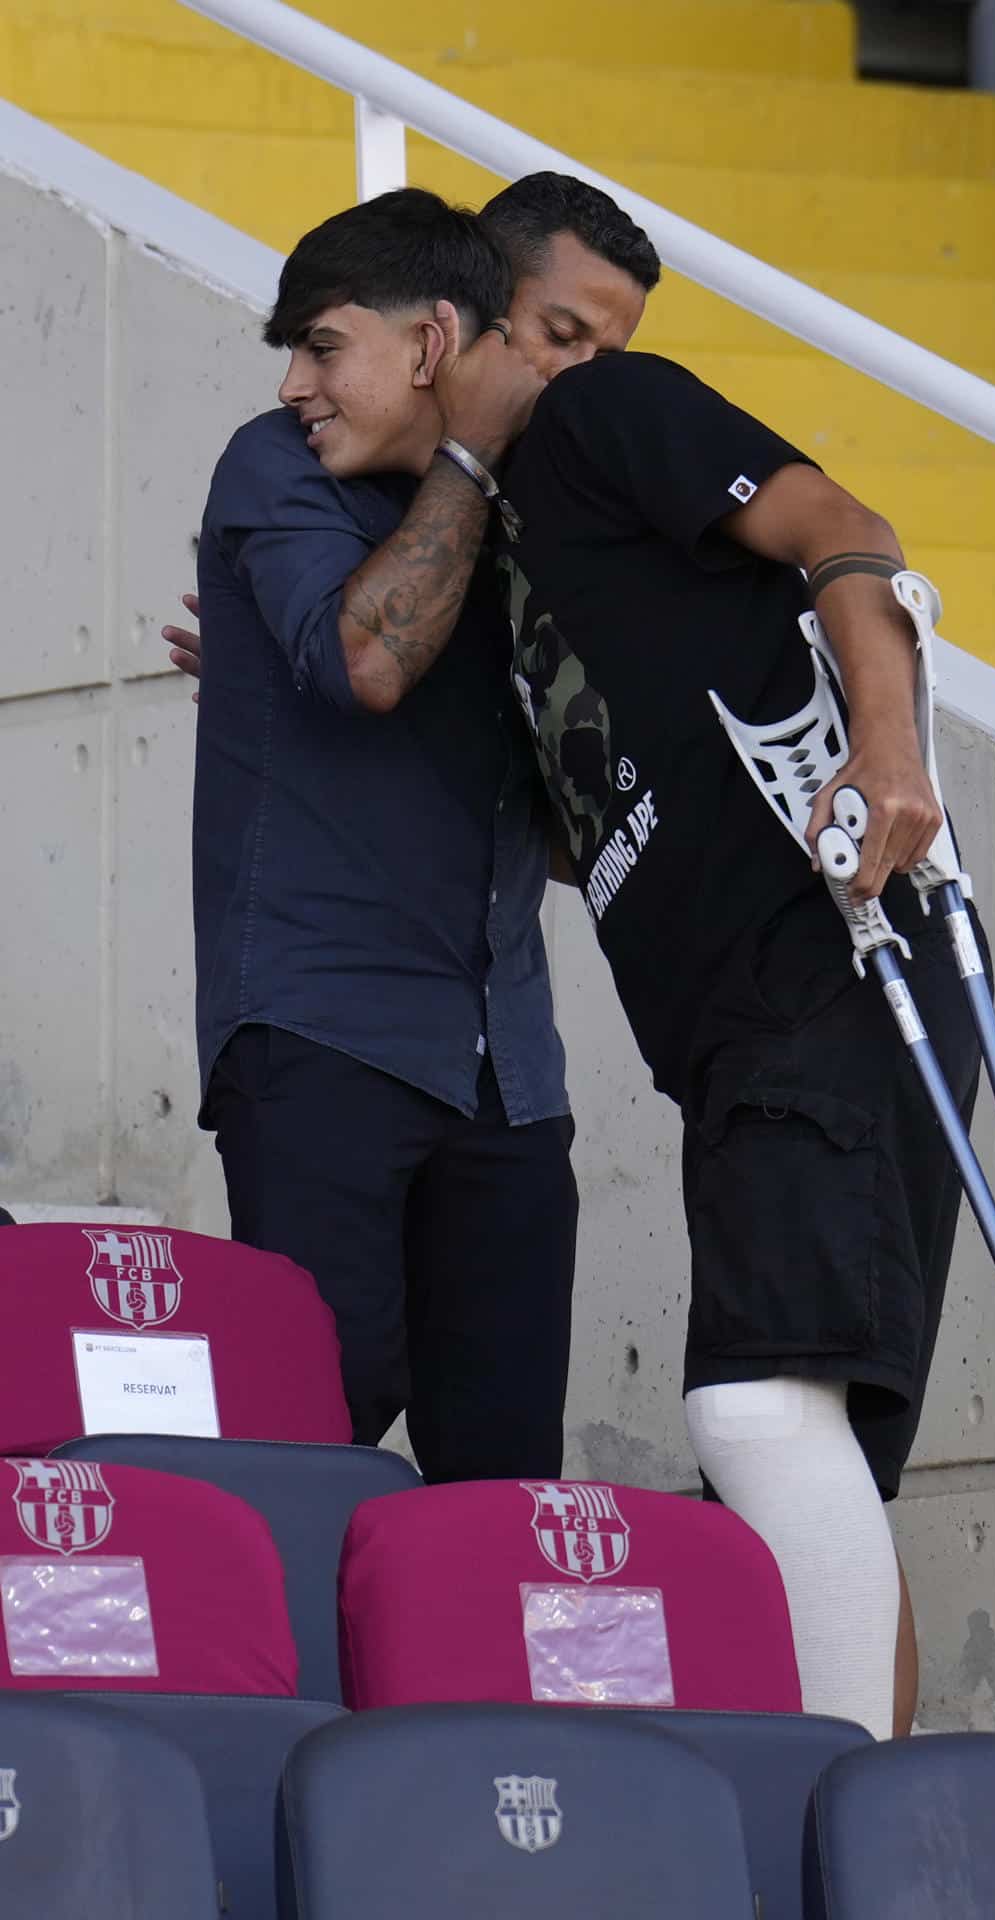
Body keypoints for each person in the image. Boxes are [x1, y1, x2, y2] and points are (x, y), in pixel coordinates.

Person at [490, 350, 985, 1739]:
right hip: (747, 1009)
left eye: (592, 328)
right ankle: (863, 1823)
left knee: (764, 1411)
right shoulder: (515, 557)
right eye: (564, 325)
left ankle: (833, 1816)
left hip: (825, 946)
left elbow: (848, 533)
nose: (574, 357)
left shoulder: (599, 418)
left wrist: (893, 756)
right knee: (816, 1441)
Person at [188, 182, 658, 1482]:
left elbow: (575, 830)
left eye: (609, 355)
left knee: (507, 1472)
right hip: (322, 1025)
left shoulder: (553, 510)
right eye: (560, 335)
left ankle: (488, 1697)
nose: (580, 377)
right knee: (315, 1427)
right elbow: (366, 663)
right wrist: (468, 459)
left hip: (510, 1065)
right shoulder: (282, 460)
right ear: (465, 325)